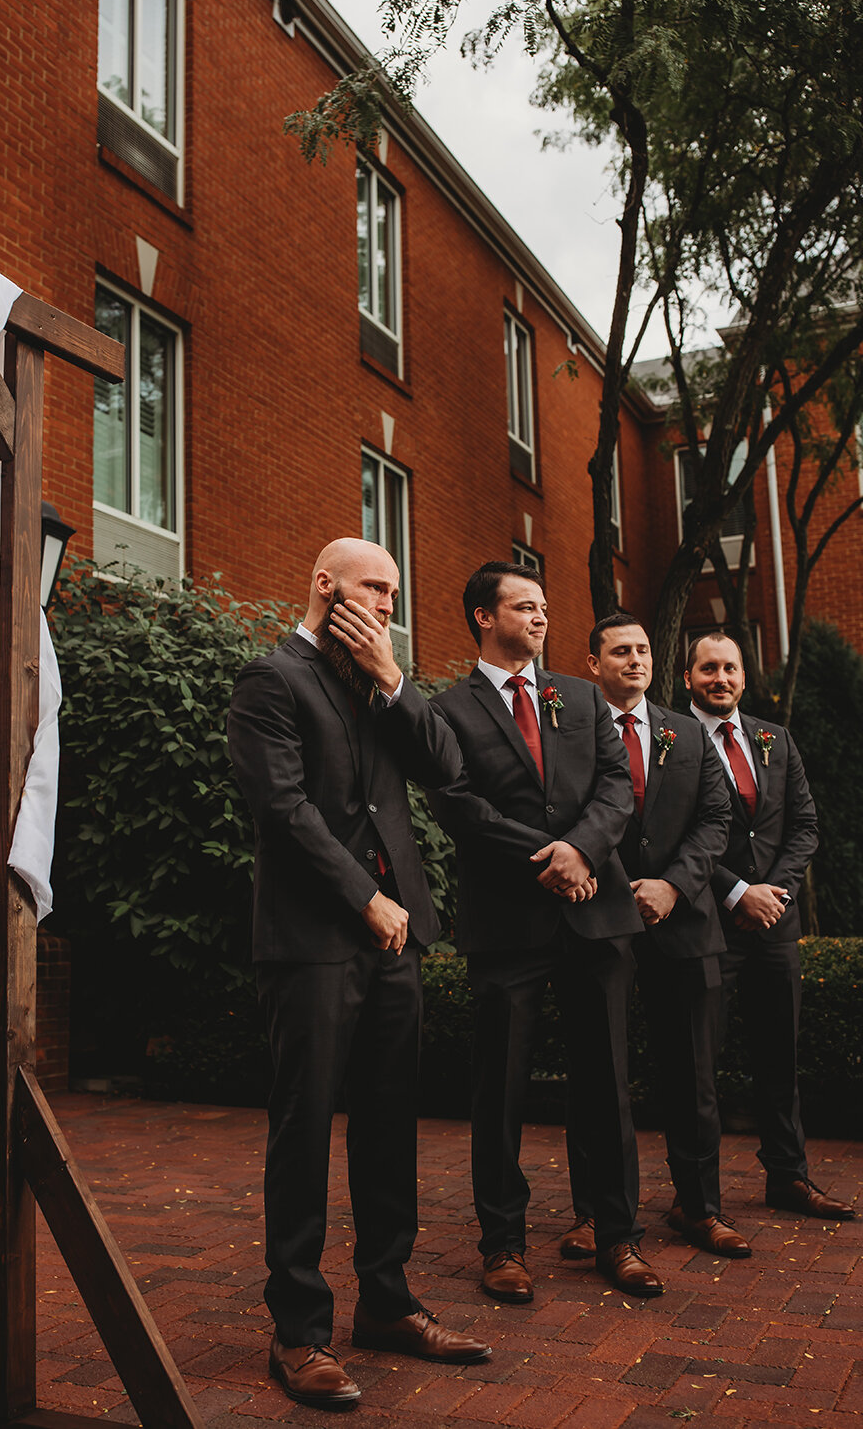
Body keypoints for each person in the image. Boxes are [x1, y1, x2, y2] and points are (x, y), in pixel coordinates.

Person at [227, 537, 491, 1411]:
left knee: (388, 1126)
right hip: (313, 943)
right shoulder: (271, 681)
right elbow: (284, 811)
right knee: (303, 1130)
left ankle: (386, 1301)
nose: (386, 603)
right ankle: (298, 1331)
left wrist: (394, 680)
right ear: (323, 584)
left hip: (396, 943)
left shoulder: (378, 684)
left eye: (393, 592)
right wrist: (364, 900)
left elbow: (448, 769)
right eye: (374, 587)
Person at [428, 563, 663, 1300]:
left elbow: (614, 787)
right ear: (482, 618)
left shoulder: (581, 696)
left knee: (608, 1086)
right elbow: (457, 805)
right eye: (523, 607)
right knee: (500, 1089)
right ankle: (502, 1245)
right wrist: (547, 858)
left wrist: (582, 849)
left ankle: (617, 1237)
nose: (539, 618)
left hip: (596, 915)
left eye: (544, 607)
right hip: (508, 921)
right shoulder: (448, 709)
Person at [560, 614, 749, 1263]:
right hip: (601, 919)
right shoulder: (573, 735)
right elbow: (568, 817)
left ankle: (700, 1206)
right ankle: (594, 1214)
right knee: (598, 1074)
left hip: (687, 922)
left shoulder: (688, 734)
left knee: (694, 1076)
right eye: (620, 650)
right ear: (593, 663)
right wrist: (621, 886)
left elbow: (715, 819)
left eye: (642, 650)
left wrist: (673, 884)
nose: (635, 660)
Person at [685, 632, 855, 1222]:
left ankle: (788, 1177)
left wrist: (773, 893)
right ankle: (697, 1198)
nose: (721, 678)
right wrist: (737, 892)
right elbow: (670, 838)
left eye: (730, 668)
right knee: (700, 1065)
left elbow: (804, 824)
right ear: (689, 679)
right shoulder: (671, 741)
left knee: (779, 1057)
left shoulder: (773, 738)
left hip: (775, 924)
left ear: (742, 677)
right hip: (708, 924)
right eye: (708, 668)